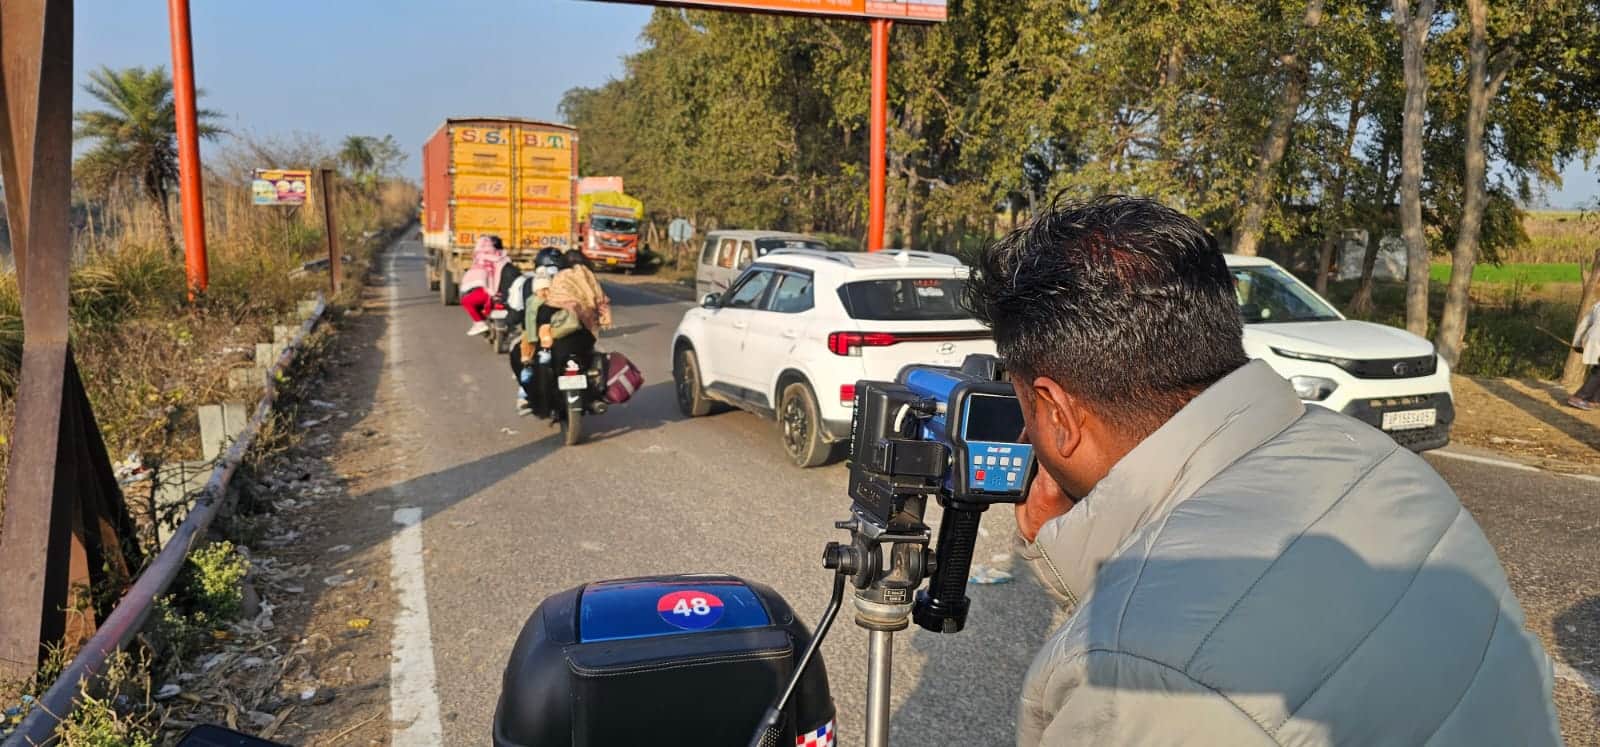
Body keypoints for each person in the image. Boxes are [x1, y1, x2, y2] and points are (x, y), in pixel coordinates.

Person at [959, 196, 1560, 746]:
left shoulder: (1133, 672)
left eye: (1026, 405)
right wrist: (1079, 550)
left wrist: (1108, 615)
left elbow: (1168, 644)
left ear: (1058, 412)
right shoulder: (1380, 460)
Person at [460, 235, 510, 336]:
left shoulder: (482, 259)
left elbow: (479, 278)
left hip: (489, 293)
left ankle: (479, 323)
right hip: (506, 293)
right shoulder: (505, 259)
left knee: (466, 301)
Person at [1567, 297, 1600, 409]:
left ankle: (1594, 400)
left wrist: (1576, 343)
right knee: (1599, 371)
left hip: (1592, 339)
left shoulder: (1598, 305)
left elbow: (1584, 324)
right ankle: (1579, 397)